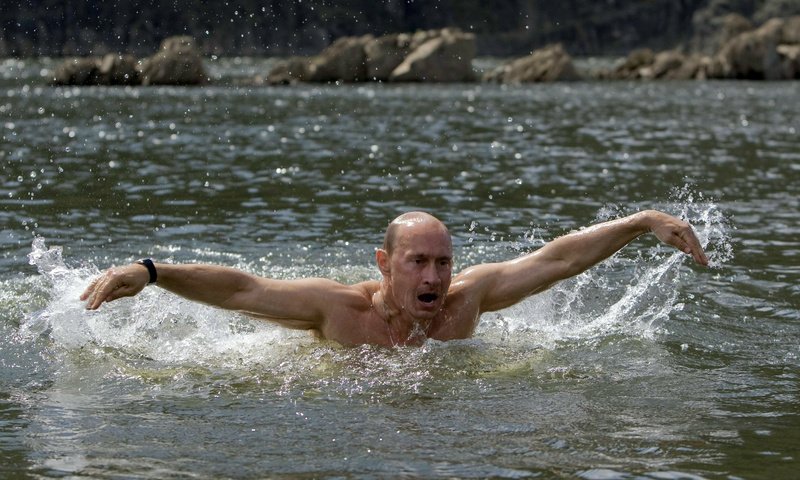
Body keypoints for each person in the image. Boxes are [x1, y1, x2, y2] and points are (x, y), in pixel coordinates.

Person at [81, 210, 708, 347]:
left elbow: (556, 260)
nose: (434, 275)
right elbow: (243, 289)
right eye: (418, 262)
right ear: (385, 265)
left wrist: (643, 222)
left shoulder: (468, 302)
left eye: (442, 261)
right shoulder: (338, 310)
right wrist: (153, 271)